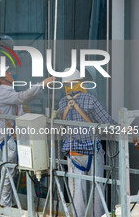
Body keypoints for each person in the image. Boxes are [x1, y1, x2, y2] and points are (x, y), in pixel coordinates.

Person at [0, 62, 52, 207]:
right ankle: (5, 204)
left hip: (10, 137)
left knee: (11, 171)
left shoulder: (7, 91)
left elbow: (19, 107)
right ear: (1, 79)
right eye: (7, 72)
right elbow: (22, 97)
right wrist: (41, 84)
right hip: (8, 139)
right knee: (9, 171)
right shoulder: (3, 93)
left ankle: (7, 203)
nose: (10, 73)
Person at [59, 68, 117, 217]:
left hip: (73, 154)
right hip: (92, 150)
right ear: (80, 83)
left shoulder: (62, 103)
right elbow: (106, 121)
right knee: (97, 191)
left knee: (77, 194)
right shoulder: (90, 100)